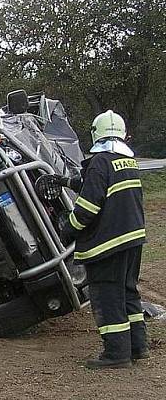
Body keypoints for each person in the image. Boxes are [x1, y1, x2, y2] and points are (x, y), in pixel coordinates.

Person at [60, 110, 147, 369]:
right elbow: (100, 185)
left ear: (95, 134)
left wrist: (68, 228)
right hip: (133, 241)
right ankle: (138, 347)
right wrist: (65, 181)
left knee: (108, 296)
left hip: (107, 244)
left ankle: (116, 354)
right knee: (128, 293)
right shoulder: (128, 162)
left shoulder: (99, 162)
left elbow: (87, 207)